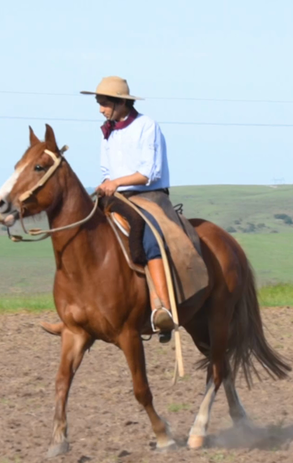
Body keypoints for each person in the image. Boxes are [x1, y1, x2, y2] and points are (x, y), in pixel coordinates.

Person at [80, 76, 177, 340]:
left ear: (121, 102)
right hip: (116, 196)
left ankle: (163, 308)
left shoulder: (147, 126)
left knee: (150, 238)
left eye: (104, 103)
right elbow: (106, 171)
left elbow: (150, 172)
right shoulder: (107, 131)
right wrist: (105, 184)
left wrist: (116, 182)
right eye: (99, 103)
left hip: (148, 195)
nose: (100, 108)